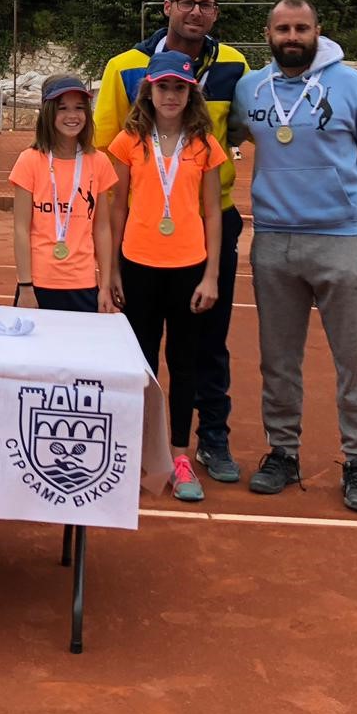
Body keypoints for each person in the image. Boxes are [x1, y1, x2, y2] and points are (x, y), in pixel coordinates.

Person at [235, 0, 357, 513]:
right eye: (282, 29)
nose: (292, 37)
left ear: (317, 31)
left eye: (301, 28)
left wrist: (342, 197)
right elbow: (235, 134)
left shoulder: (354, 86)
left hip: (341, 240)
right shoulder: (249, 89)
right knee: (278, 360)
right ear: (268, 33)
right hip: (273, 242)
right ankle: (283, 453)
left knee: (355, 361)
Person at [93, 0, 249, 484]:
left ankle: (209, 442)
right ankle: (136, 448)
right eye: (187, 2)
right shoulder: (124, 67)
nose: (196, 12)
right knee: (138, 352)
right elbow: (106, 157)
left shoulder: (235, 65)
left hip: (206, 235)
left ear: (216, 12)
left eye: (206, 4)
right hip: (139, 243)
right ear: (168, 7)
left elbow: (241, 133)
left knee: (205, 345)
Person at [107, 50, 227, 503]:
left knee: (183, 363)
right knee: (141, 365)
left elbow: (212, 213)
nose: (171, 95)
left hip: (189, 269)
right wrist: (112, 270)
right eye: (163, 87)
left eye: (179, 88)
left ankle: (179, 455)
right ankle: (139, 450)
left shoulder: (205, 146)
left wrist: (211, 276)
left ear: (191, 93)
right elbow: (117, 211)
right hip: (138, 266)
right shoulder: (128, 142)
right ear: (149, 92)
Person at [10, 75, 118, 313]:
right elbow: (21, 229)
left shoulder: (99, 162)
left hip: (83, 284)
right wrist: (25, 286)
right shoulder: (29, 161)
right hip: (38, 283)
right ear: (48, 112)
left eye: (79, 108)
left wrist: (104, 286)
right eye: (63, 108)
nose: (72, 115)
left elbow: (102, 228)